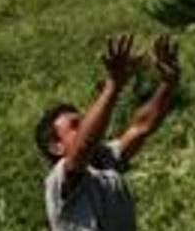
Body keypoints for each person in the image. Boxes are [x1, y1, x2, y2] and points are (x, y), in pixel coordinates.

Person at [35, 34, 180, 231]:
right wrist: (113, 84)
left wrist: (168, 83)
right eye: (76, 125)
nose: (86, 124)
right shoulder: (60, 182)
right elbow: (83, 146)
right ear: (56, 147)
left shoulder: (103, 158)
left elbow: (141, 127)